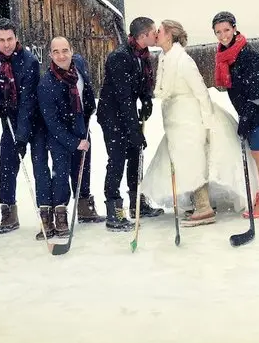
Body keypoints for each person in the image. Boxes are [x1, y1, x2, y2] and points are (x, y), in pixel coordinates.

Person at [140, 20, 218, 226]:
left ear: (170, 35)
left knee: (192, 160)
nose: (156, 33)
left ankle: (204, 208)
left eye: (160, 31)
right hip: (175, 118)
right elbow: (163, 90)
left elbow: (201, 92)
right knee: (182, 160)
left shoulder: (183, 61)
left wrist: (208, 122)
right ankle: (197, 203)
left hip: (188, 118)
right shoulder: (165, 58)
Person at [97, 17, 164, 232]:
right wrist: (134, 129)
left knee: (136, 156)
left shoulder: (143, 55)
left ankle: (137, 204)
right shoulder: (119, 57)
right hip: (112, 116)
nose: (156, 34)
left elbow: (143, 83)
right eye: (154, 31)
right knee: (117, 159)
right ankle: (114, 212)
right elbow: (123, 97)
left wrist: (146, 98)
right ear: (143, 35)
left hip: (128, 113)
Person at [211, 11, 259, 218]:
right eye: (218, 32)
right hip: (248, 110)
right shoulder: (226, 55)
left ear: (234, 28)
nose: (223, 35)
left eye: (226, 30)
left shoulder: (246, 54)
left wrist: (246, 117)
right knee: (255, 153)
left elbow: (257, 90)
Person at [0, 18, 49, 234]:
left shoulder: (29, 61)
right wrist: (0, 106)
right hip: (11, 119)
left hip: (35, 119)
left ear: (16, 37)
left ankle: (46, 213)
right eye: (1, 40)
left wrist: (21, 138)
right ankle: (8, 213)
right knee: (6, 167)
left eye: (10, 39)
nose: (6, 44)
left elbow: (27, 101)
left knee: (39, 167)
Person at [37, 37, 99, 240]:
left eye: (65, 50)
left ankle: (84, 207)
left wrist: (90, 108)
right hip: (59, 137)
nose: (61, 55)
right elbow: (51, 122)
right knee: (61, 175)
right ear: (50, 55)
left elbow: (86, 93)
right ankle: (60, 214)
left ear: (72, 51)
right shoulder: (46, 83)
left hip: (81, 128)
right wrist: (73, 142)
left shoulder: (78, 67)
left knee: (82, 170)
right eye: (56, 52)